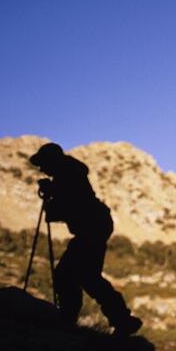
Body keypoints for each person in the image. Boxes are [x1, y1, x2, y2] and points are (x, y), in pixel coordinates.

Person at [29, 142, 142, 337]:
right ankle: (120, 320)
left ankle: (71, 319)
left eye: (43, 163)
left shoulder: (67, 174)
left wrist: (51, 194)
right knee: (83, 276)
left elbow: (68, 205)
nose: (41, 169)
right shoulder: (69, 173)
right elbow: (67, 204)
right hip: (94, 228)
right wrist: (52, 193)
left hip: (92, 229)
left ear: (52, 160)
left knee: (73, 275)